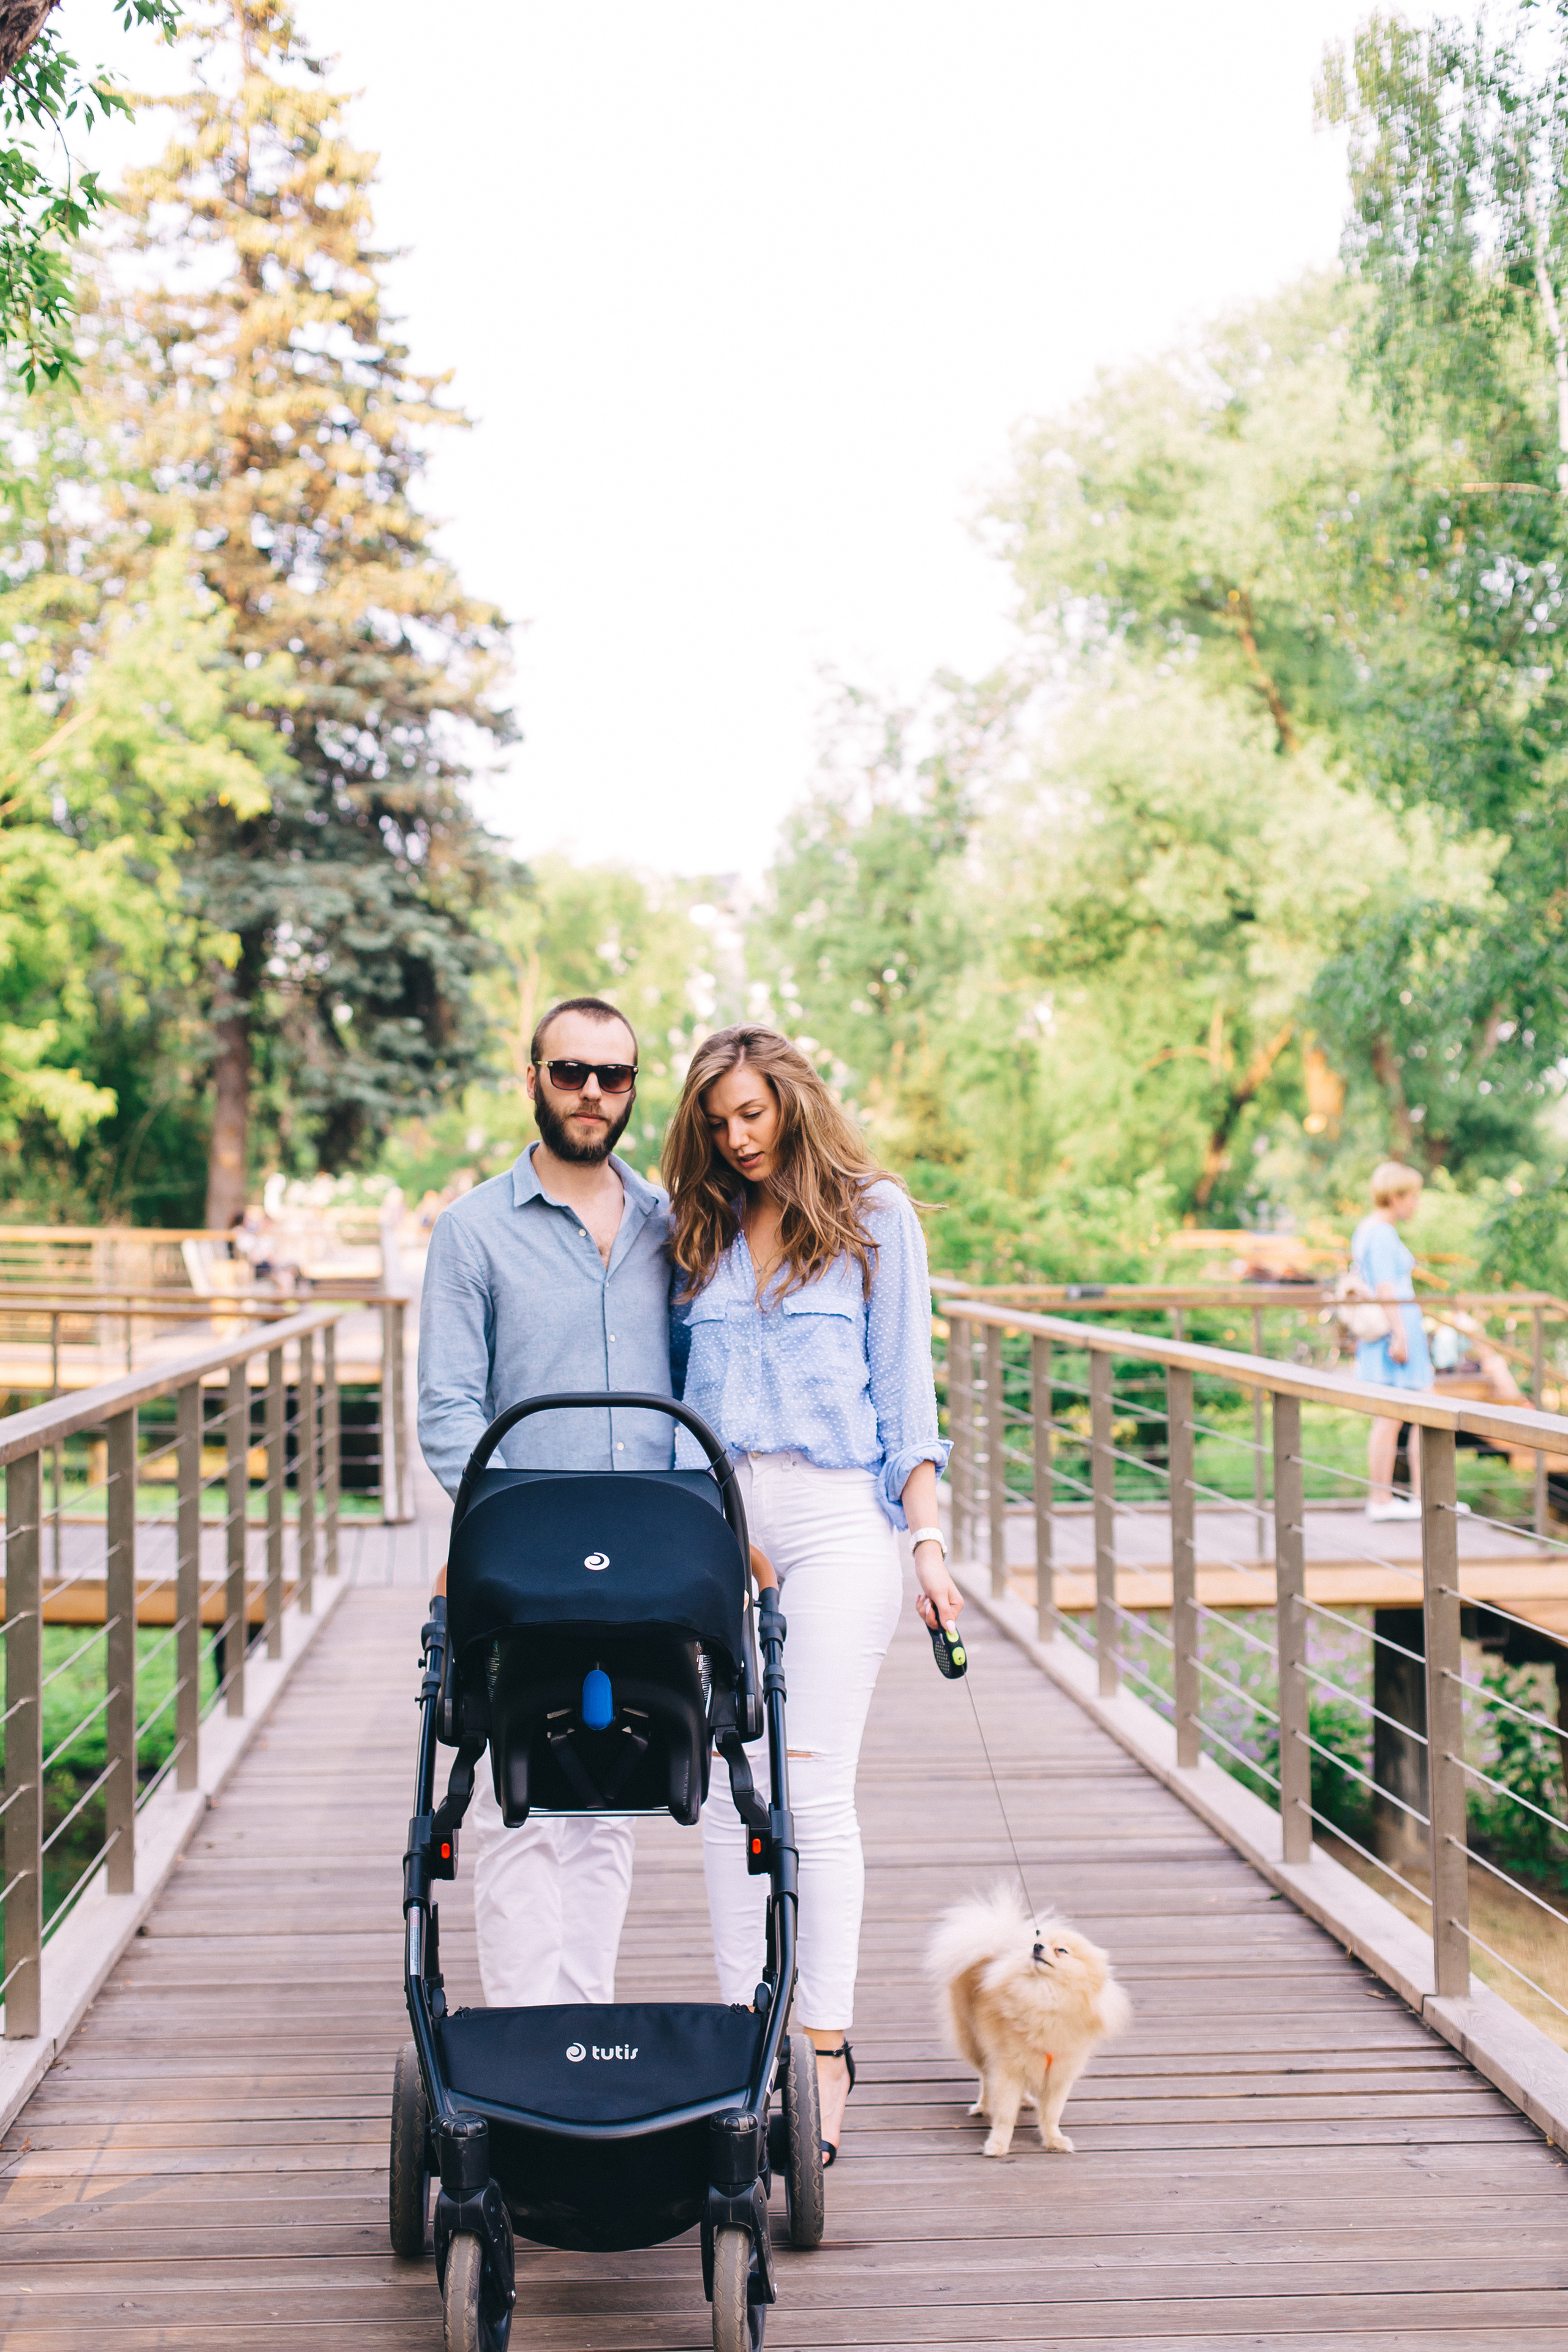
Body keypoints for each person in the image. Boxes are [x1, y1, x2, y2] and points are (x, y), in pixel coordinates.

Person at [664, 1024, 960, 2165]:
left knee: (815, 1782)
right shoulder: (692, 1230)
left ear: (792, 1101)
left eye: (753, 1114)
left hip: (840, 1522)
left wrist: (926, 1542)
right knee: (729, 1785)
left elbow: (907, 1392)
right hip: (720, 1530)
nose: (738, 1139)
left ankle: (823, 2050)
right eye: (717, 1122)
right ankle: (753, 2040)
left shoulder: (874, 1215)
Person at [418, 995, 674, 2007]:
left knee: (611, 1801)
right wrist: (501, 1526)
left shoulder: (667, 1225)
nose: (593, 1094)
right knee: (517, 1799)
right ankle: (527, 2040)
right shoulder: (474, 1231)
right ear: (532, 1079)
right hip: (525, 1566)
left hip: (649, 1565)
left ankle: (585, 2029)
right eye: (571, 1072)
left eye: (615, 1077)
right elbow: (447, 1411)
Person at [1352, 1161, 1433, 1523]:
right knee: (1416, 1415)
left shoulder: (1368, 1229)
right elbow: (1386, 1287)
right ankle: (1396, 1498)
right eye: (1413, 1196)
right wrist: (1401, 1335)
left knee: (1399, 1417)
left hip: (1392, 1332)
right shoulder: (1382, 1232)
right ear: (1396, 1197)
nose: (1416, 1204)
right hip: (1396, 1333)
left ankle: (1399, 1497)